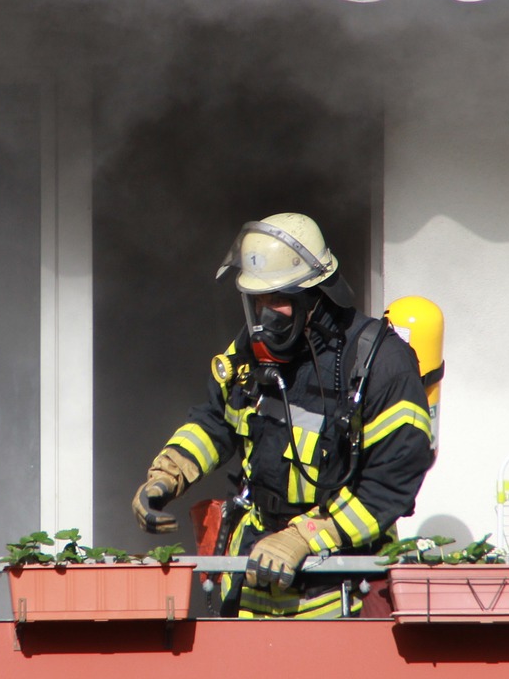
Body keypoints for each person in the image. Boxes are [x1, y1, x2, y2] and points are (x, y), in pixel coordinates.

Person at [131, 213, 435, 618]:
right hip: (253, 574)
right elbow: (217, 420)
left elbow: (390, 484)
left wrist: (304, 537)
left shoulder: (381, 363)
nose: (264, 315)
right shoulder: (254, 349)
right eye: (256, 301)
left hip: (339, 584)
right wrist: (167, 475)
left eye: (276, 300)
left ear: (314, 294)